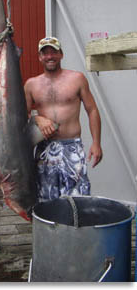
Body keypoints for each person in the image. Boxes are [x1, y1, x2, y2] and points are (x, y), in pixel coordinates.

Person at [24, 37, 103, 202]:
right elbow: (22, 120)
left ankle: (76, 228)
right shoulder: (31, 85)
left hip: (72, 147)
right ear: (40, 57)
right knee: (46, 200)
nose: (49, 56)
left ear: (61, 54)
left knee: (78, 199)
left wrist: (96, 143)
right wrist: (37, 119)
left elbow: (92, 110)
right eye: (45, 53)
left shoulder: (77, 79)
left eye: (54, 52)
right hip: (44, 149)